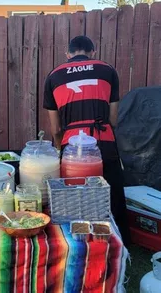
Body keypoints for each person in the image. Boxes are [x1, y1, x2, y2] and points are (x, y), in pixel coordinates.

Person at [43, 36, 130, 245]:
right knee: (112, 192)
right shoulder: (107, 70)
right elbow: (113, 119)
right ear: (93, 52)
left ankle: (75, 243)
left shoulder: (53, 75)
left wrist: (59, 148)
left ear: (68, 54)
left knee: (74, 194)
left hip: (71, 144)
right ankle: (120, 242)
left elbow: (55, 128)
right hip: (103, 139)